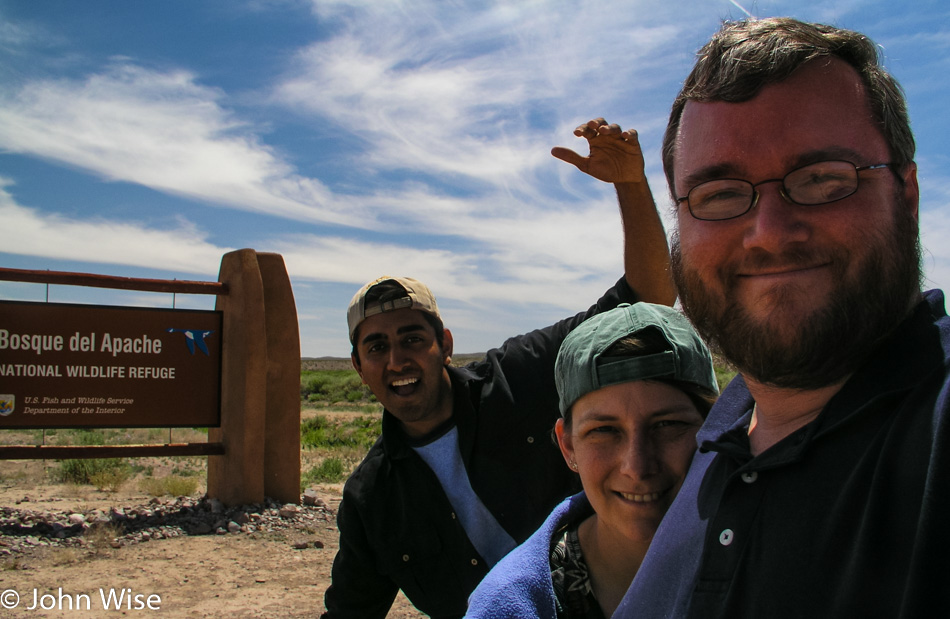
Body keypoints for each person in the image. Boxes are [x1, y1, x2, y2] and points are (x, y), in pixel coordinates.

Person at [612, 17, 950, 618]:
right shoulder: (721, 433)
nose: (768, 234)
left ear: (906, 193)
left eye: (822, 180)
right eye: (718, 194)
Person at [322, 121, 675, 618]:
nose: (397, 360)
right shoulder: (374, 498)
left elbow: (647, 300)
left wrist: (631, 185)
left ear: (444, 345)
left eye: (412, 339)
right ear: (359, 368)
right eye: (377, 347)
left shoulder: (520, 377)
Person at [464, 302, 718, 619]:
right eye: (604, 430)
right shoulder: (509, 605)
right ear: (568, 446)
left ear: (715, 427)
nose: (637, 467)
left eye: (667, 425)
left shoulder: (777, 557)